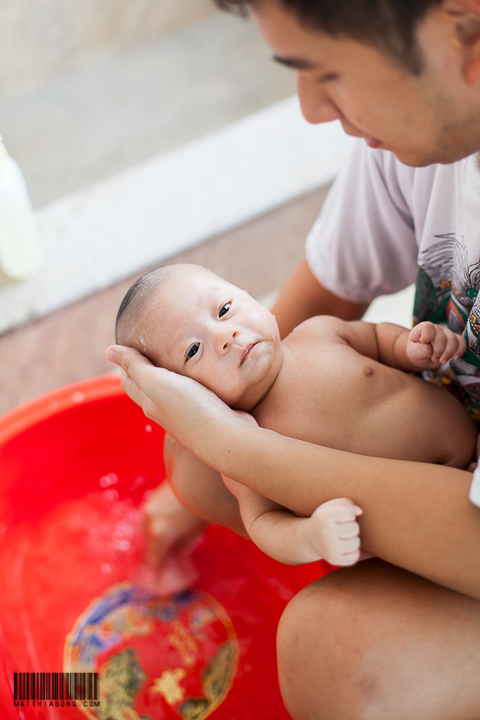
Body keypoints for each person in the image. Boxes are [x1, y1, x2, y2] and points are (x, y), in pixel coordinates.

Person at [106, 0, 480, 717]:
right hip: (443, 439)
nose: (310, 110)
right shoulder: (419, 134)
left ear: (464, 29)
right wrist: (209, 460)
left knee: (335, 656)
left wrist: (233, 442)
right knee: (191, 465)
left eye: (327, 74)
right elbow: (330, 293)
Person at [116, 262, 475, 568]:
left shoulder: (319, 332)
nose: (224, 336)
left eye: (224, 310)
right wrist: (311, 536)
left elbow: (380, 340)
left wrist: (413, 347)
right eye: (193, 350)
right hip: (432, 529)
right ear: (186, 397)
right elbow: (263, 523)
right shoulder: (249, 441)